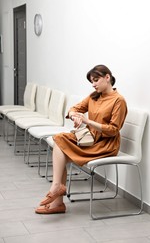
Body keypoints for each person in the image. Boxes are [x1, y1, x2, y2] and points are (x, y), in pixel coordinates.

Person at [35, 64, 127, 214]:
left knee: (61, 148)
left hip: (106, 144)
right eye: (92, 81)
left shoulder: (119, 101)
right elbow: (74, 109)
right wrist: (75, 116)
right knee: (59, 139)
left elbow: (113, 130)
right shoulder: (93, 96)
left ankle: (57, 199)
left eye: (96, 80)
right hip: (90, 139)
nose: (93, 84)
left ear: (107, 77)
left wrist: (88, 121)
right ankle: (57, 190)